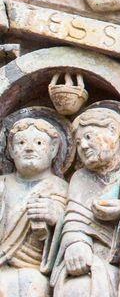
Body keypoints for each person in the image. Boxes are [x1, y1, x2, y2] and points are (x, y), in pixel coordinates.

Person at [51, 108, 120, 297]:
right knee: (77, 287)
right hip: (90, 259)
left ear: (113, 131)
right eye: (78, 143)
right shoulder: (80, 178)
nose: (83, 147)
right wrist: (77, 244)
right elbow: (74, 223)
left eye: (88, 137)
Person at [0, 113, 67, 297]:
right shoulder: (2, 183)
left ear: (53, 150)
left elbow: (74, 231)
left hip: (34, 270)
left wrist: (56, 218)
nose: (29, 149)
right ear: (11, 151)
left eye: (38, 143)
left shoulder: (58, 188)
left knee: (32, 285)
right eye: (21, 143)